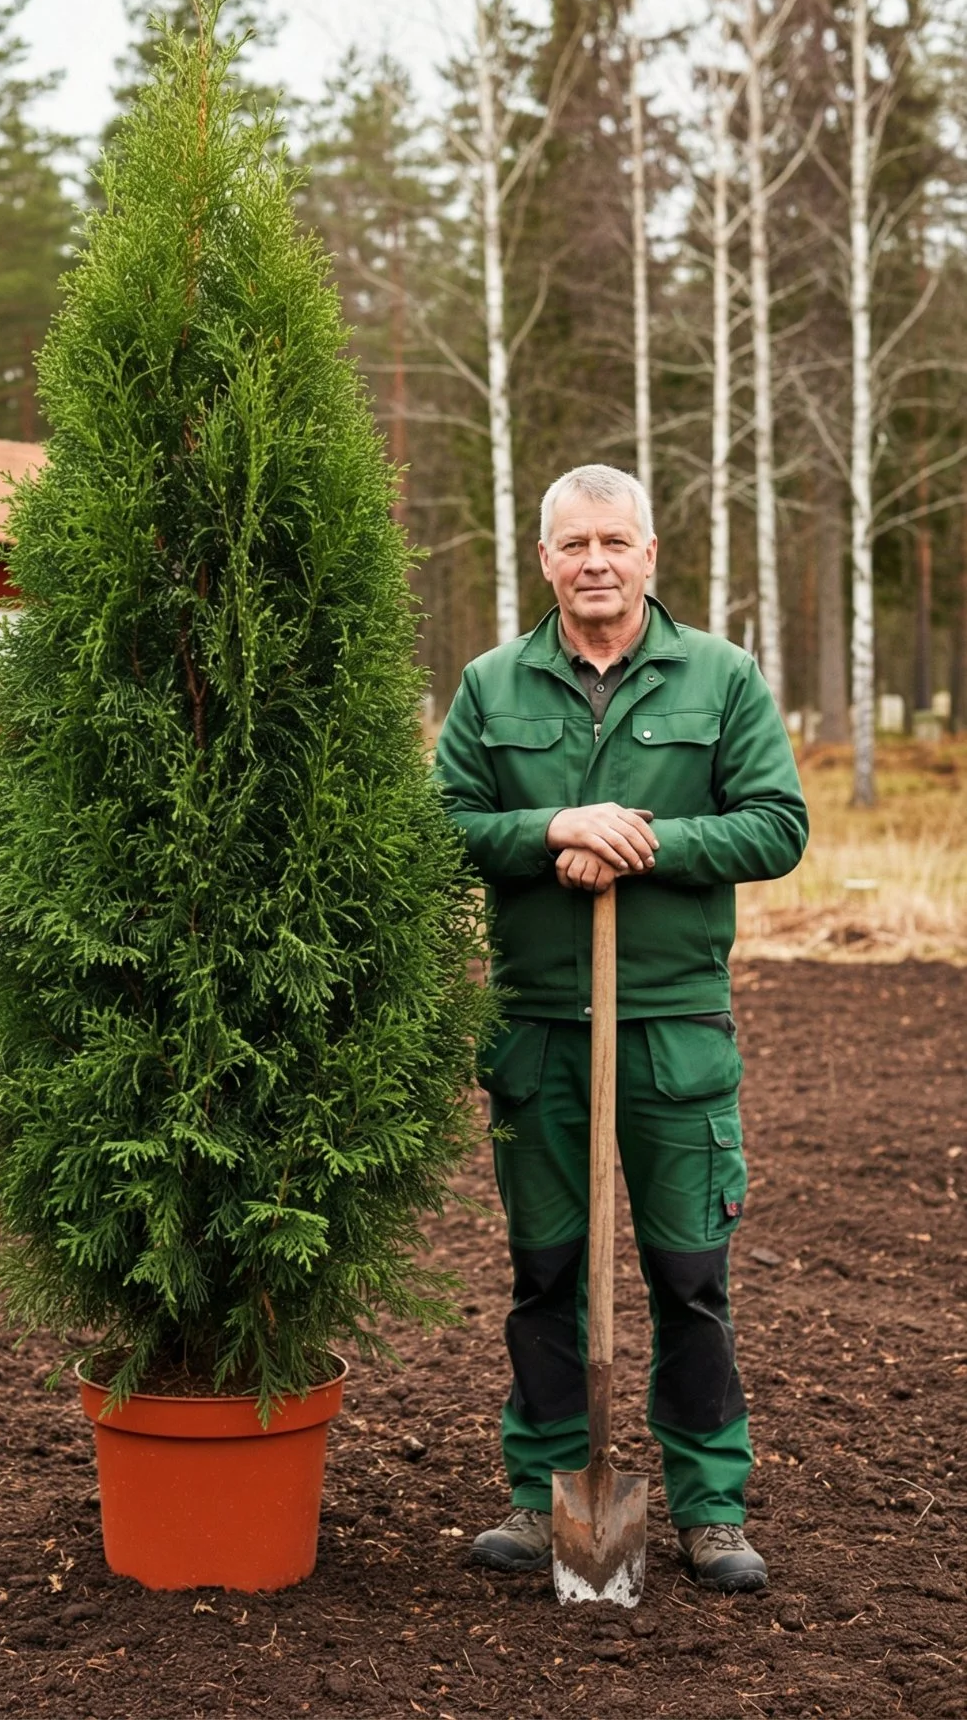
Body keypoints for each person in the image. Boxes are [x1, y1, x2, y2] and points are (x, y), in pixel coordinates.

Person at [433, 463, 808, 1593]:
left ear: (651, 553)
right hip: (540, 1033)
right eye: (573, 543)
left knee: (689, 1274)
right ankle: (547, 1492)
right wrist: (553, 820)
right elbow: (440, 823)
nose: (595, 560)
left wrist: (641, 839)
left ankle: (708, 1502)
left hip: (671, 1033)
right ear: (543, 560)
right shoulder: (494, 685)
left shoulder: (721, 676)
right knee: (546, 1272)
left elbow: (776, 823)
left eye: (615, 540)